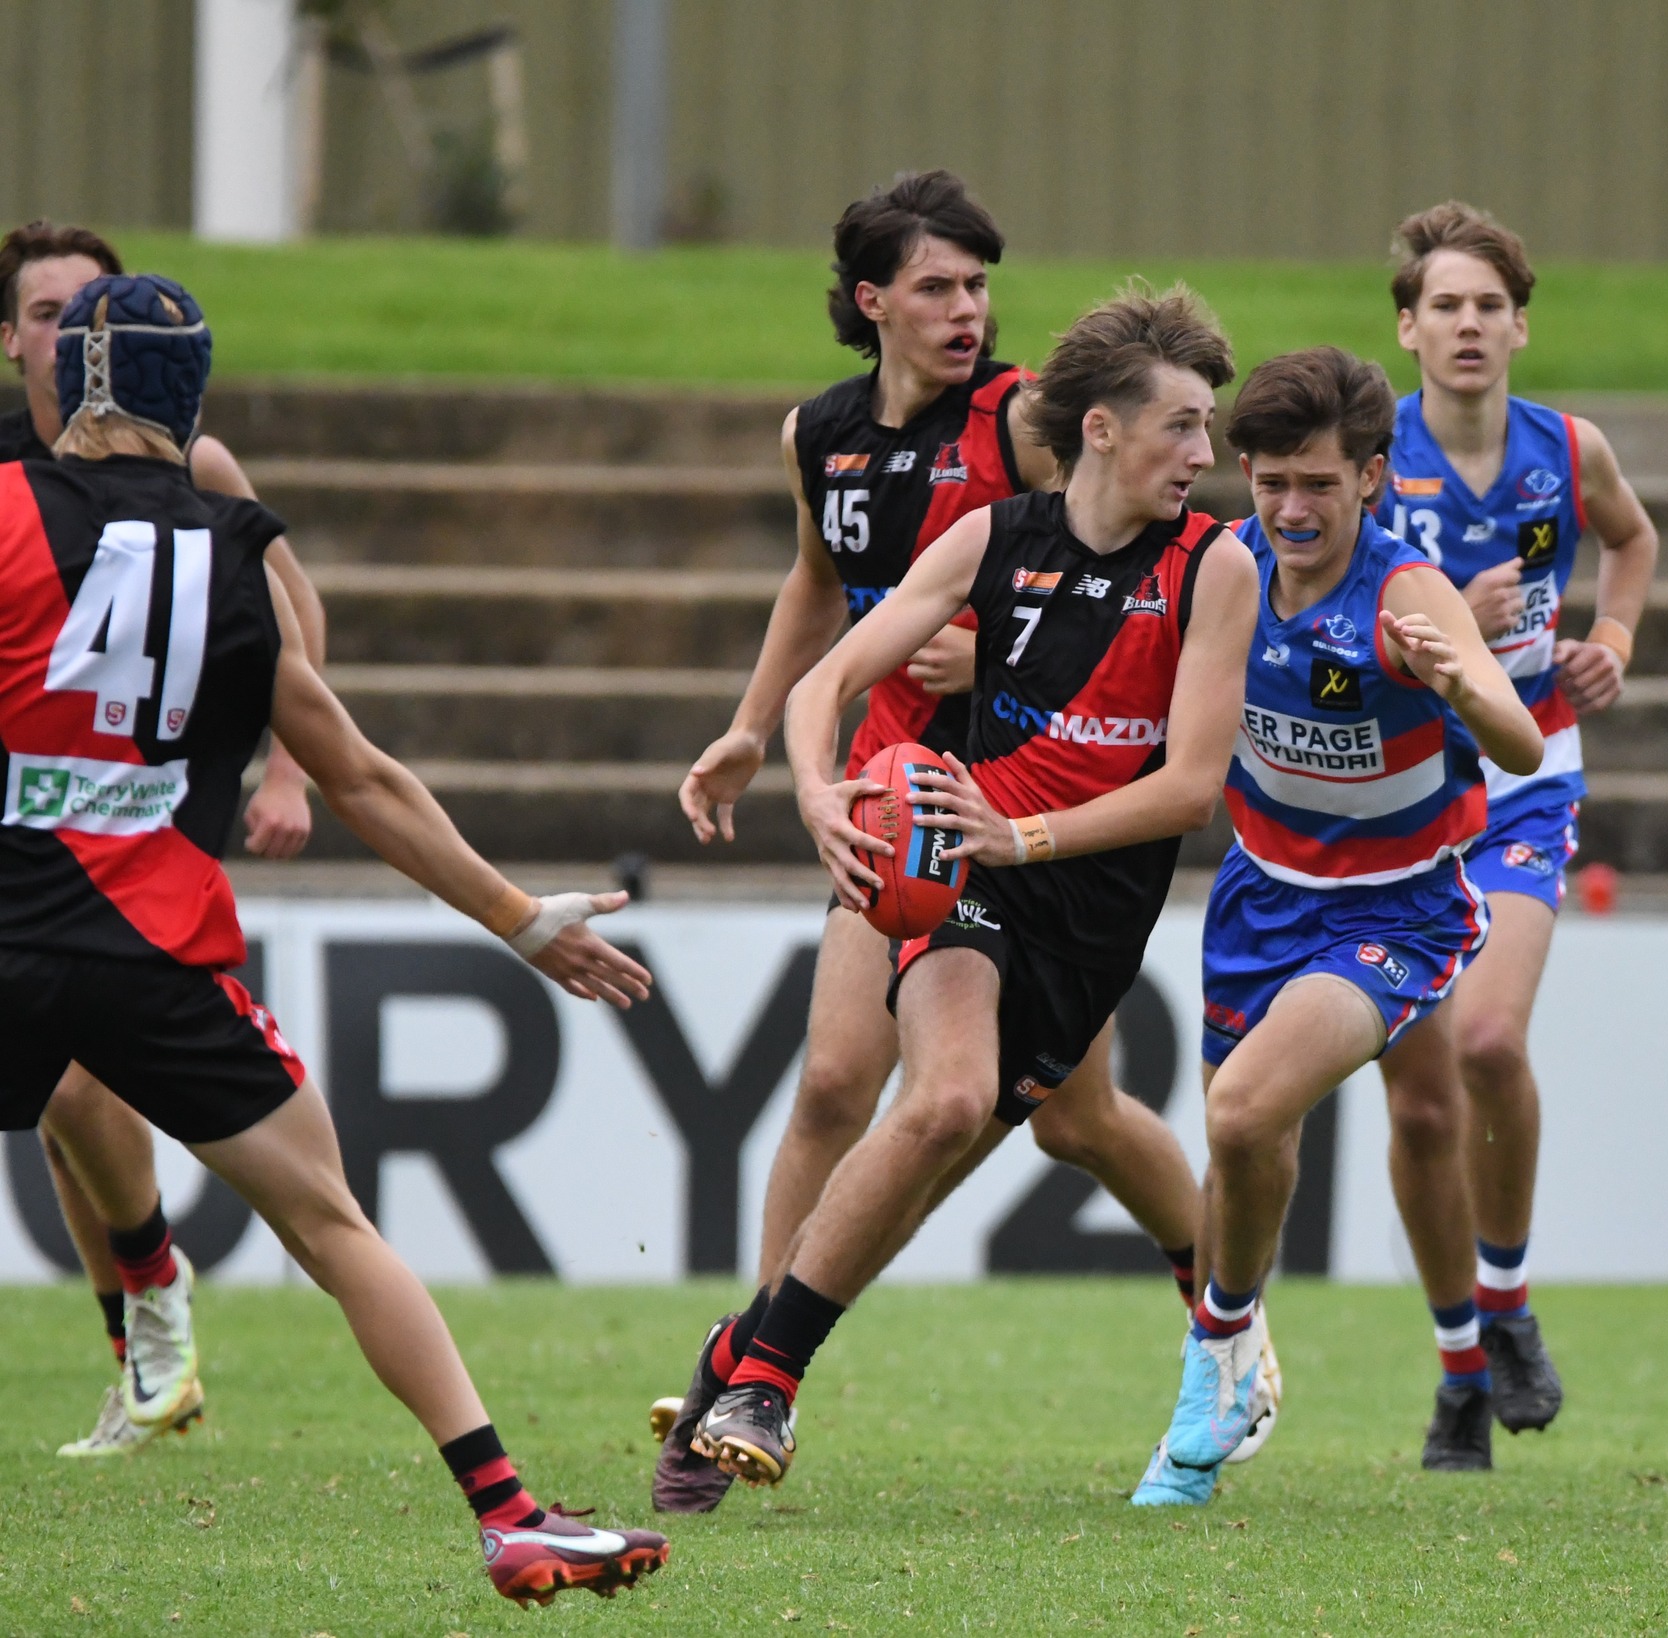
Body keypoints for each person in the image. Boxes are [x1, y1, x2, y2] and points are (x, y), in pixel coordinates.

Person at [0, 272, 667, 1605]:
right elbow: (361, 777)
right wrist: (523, 920)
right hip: (155, 956)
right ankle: (508, 1508)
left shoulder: (7, 508)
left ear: (77, 381)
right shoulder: (236, 555)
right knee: (332, 1221)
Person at [657, 175, 1248, 1513]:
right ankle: (751, 1372)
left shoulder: (1036, 427)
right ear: (872, 303)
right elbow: (823, 590)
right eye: (939, 285)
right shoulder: (826, 436)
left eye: (980, 283)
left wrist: (1001, 653)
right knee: (858, 1085)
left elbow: (1120, 658)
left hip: (1058, 844)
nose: (969, 309)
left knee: (1076, 1117)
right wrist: (779, 748)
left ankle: (1228, 1302)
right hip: (924, 811)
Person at [1127, 347, 1541, 1504]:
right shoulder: (1226, 568)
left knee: (1248, 1105)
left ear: (1370, 478)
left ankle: (1215, 1367)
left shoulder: (1405, 593)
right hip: (1260, 894)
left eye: (1319, 484)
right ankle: (1232, 1352)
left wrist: (1459, 685)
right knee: (1244, 1146)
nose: (1293, 509)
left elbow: (1512, 741)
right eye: (1270, 483)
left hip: (1395, 908)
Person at [1, 218, 331, 1456]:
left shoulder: (194, 461)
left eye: (94, 310)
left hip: (140, 809)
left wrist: (288, 768)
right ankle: (141, 1321)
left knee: (85, 1062)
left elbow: (294, 620)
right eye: (48, 314)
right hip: (30, 810)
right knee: (57, 1094)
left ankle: (149, 1298)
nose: (76, 334)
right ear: (13, 339)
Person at [1376, 202, 1658, 1433]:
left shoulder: (1565, 446)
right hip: (1400, 792)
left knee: (1488, 1045)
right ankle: (1454, 1377)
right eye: (1445, 304)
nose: (1468, 325)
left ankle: (1506, 1305)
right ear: (1405, 328)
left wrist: (1610, 636)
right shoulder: (1368, 460)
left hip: (1525, 776)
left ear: (1520, 325)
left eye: (1488, 304)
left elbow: (1631, 538)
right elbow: (1330, 619)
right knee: (1420, 1100)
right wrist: (1450, 628)